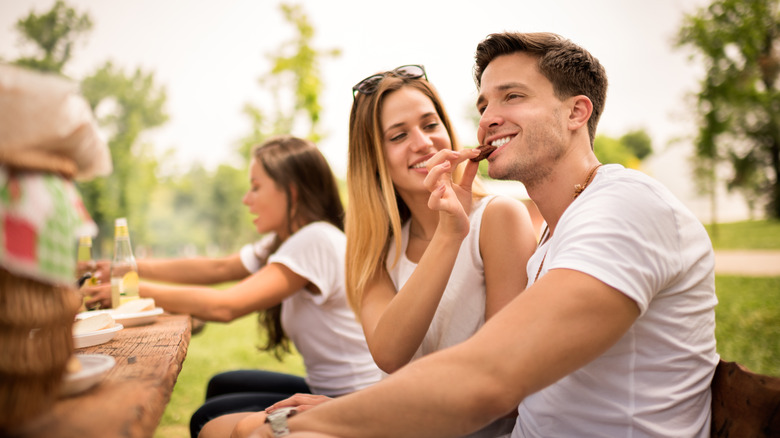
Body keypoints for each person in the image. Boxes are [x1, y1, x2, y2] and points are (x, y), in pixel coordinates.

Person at [215, 31, 719, 438]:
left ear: (576, 112)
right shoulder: (557, 237)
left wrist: (287, 424)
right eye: (482, 105)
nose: (486, 118)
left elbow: (488, 384)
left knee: (231, 426)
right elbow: (421, 364)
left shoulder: (624, 206)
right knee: (223, 418)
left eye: (512, 96)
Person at [200, 66, 538, 438]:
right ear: (374, 158)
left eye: (429, 124)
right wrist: (446, 236)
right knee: (219, 426)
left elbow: (502, 388)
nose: (423, 142)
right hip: (399, 418)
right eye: (398, 135)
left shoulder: (499, 217)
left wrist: (351, 411)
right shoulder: (380, 248)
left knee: (251, 429)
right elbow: (391, 354)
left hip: (462, 429)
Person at [85, 135, 382, 438]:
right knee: (222, 385)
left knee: (208, 420)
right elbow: (217, 268)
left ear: (290, 191)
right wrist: (127, 269)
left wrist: (129, 288)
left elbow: (225, 306)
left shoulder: (315, 239)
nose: (246, 198)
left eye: (256, 186)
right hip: (325, 388)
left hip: (354, 399)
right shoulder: (284, 240)